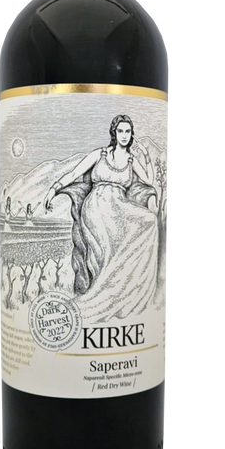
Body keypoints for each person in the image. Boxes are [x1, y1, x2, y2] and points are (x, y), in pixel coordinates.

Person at [43, 115, 159, 323]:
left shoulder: (131, 160)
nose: (124, 135)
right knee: (103, 252)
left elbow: (149, 180)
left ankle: (120, 294)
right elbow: (75, 173)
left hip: (119, 208)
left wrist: (147, 158)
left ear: (132, 135)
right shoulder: (100, 154)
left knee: (150, 221)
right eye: (120, 131)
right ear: (114, 133)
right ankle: (101, 294)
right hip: (96, 207)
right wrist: (54, 189)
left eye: (128, 131)